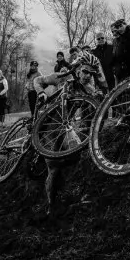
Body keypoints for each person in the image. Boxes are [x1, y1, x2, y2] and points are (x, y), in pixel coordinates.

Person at [33, 57, 103, 215]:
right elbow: (37, 80)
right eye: (85, 71)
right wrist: (41, 92)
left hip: (65, 128)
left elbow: (101, 100)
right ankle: (51, 206)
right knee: (53, 168)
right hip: (47, 127)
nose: (87, 76)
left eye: (90, 74)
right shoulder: (63, 77)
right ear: (77, 70)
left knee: (76, 156)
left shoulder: (88, 89)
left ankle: (65, 190)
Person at [110, 19, 130, 85]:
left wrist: (124, 61)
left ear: (125, 24)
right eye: (117, 27)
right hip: (122, 69)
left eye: (120, 26)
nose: (119, 29)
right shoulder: (120, 37)